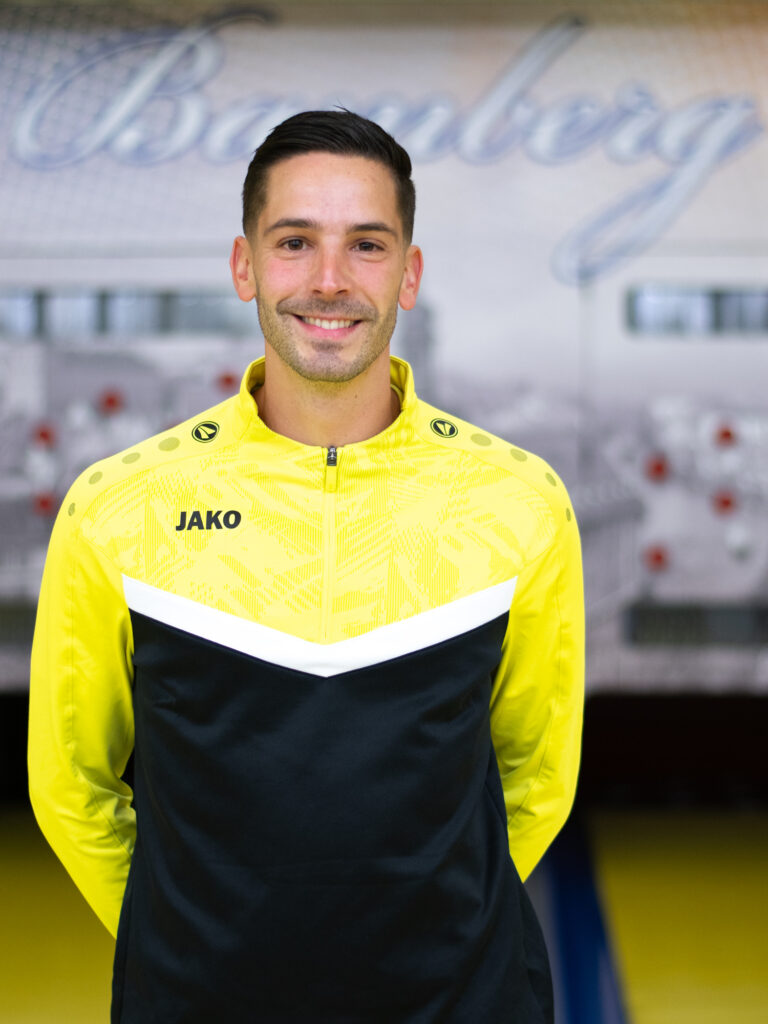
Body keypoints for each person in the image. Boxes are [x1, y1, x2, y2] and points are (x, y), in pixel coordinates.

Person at [28, 110, 584, 1023]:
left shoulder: (518, 500)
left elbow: (537, 776)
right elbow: (70, 784)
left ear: (409, 274)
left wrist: (433, 933)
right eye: (294, 242)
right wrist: (185, 941)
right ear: (244, 265)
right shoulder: (120, 507)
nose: (330, 280)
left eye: (366, 244)